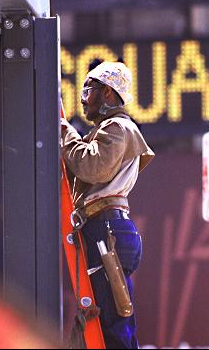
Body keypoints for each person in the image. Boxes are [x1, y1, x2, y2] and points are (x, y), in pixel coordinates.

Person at [60, 60, 154, 348]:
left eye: (90, 88)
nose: (83, 96)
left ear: (109, 94)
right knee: (111, 322)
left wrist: (63, 131)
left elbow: (91, 168)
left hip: (106, 231)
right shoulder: (116, 129)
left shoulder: (116, 127)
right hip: (107, 230)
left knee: (113, 327)